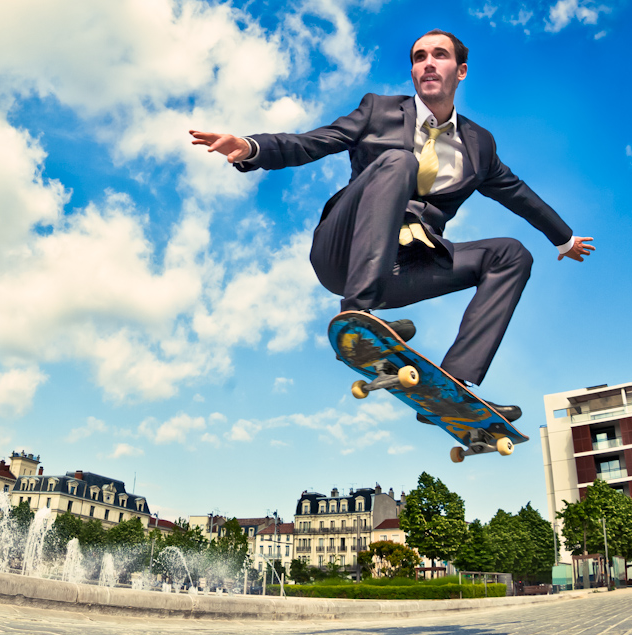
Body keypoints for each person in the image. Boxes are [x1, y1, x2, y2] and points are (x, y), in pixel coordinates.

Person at [190, 29, 594, 420]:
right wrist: (252, 147)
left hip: (404, 269)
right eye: (419, 58)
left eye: (439, 55)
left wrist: (565, 239)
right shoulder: (378, 112)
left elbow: (518, 194)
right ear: (413, 73)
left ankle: (453, 386)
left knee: (511, 255)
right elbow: (312, 142)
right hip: (343, 254)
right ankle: (358, 315)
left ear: (461, 71)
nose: (428, 64)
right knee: (400, 161)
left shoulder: (479, 144)